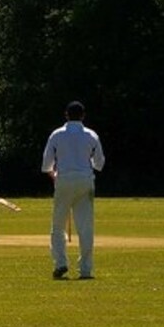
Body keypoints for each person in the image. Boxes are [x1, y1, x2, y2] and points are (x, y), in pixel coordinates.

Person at [42, 101, 106, 280]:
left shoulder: (57, 134)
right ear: (83, 115)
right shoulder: (91, 135)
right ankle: (86, 270)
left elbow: (47, 163)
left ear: (66, 115)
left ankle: (60, 263)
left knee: (57, 226)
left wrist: (54, 174)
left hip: (64, 180)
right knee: (86, 227)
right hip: (85, 180)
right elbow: (99, 163)